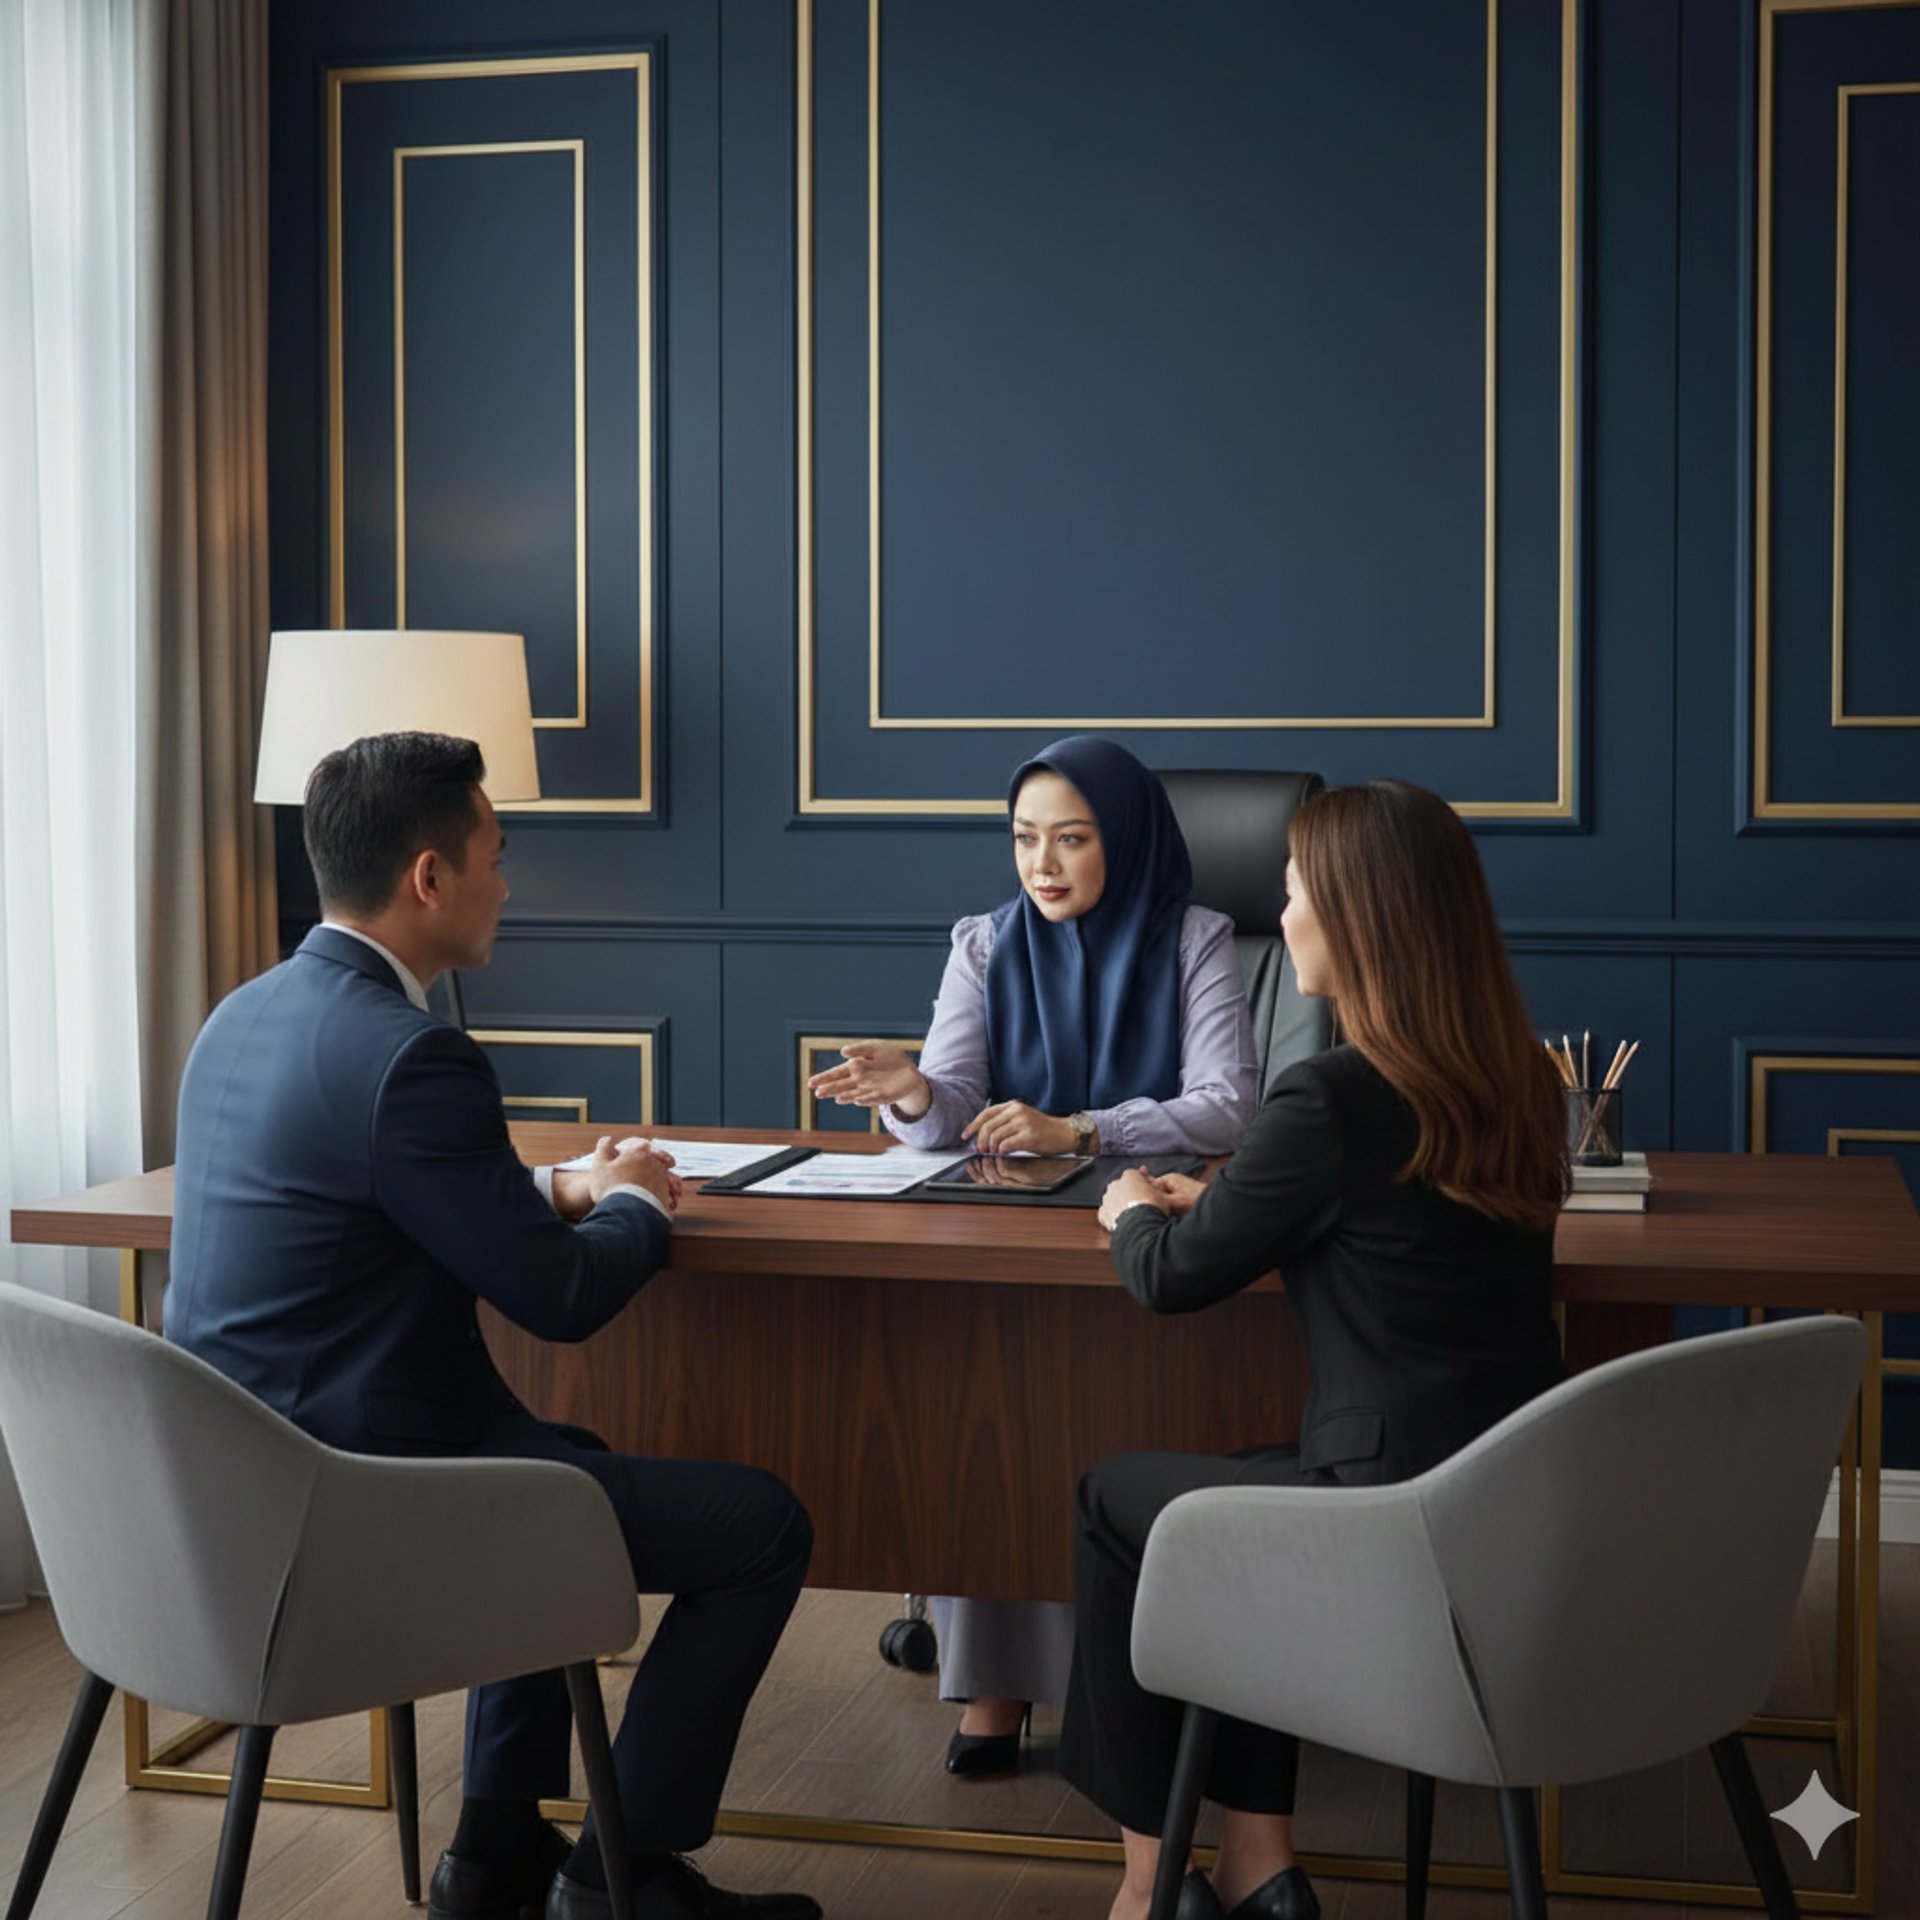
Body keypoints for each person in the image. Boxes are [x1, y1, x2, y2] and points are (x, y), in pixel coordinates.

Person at [165, 733, 821, 1920]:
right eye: (495, 857)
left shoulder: (241, 1018)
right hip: (362, 1509)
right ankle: (629, 1877)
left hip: (242, 1502)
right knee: (761, 1527)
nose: (505, 884)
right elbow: (563, 1302)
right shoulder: (416, 1053)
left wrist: (554, 1186)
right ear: (429, 877)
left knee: (549, 1462)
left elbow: (367, 1204)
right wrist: (631, 1199)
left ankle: (493, 1853)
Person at [1063, 778, 1568, 1920]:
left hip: (1388, 1520)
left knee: (1113, 1501)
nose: (1280, 919)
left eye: (1293, 895)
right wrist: (1242, 1194)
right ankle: (1260, 1859)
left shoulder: (1332, 1096)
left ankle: (1149, 1880)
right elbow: (1382, 1215)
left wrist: (1133, 1208)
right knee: (1239, 1482)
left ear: (1358, 914)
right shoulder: (1523, 1082)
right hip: (1511, 1500)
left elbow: (1168, 1283)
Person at [806, 735, 1258, 1777]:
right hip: (1001, 1235)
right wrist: (914, 1089)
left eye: (1071, 838)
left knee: (1091, 1421)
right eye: (1023, 839)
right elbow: (951, 1113)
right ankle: (997, 1682)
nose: (1041, 864)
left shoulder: (1194, 938)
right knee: (989, 1422)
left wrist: (1082, 1130)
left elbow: (1228, 1104)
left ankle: (1135, 1679)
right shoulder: (983, 942)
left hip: (1153, 1231)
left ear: (1127, 841)